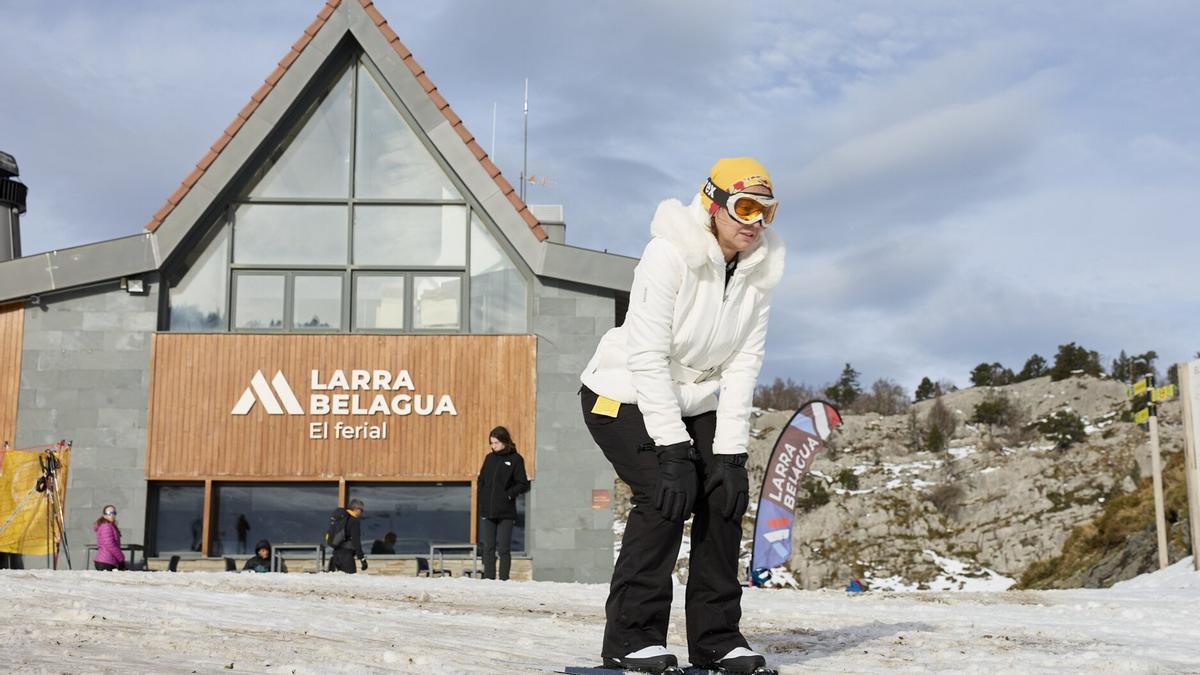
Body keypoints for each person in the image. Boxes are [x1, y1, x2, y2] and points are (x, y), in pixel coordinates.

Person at [579, 158, 784, 674]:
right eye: (743, 208)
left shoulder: (760, 274)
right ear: (712, 205)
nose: (754, 222)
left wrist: (731, 455)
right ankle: (631, 638)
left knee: (723, 492)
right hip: (623, 392)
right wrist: (672, 449)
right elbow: (647, 356)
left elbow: (742, 366)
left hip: (696, 396)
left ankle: (716, 640)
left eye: (766, 212)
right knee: (665, 492)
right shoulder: (668, 253)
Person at [476, 426, 530, 580]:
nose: (493, 446)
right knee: (488, 547)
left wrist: (508, 495)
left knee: (504, 549)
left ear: (505, 441)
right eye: (491, 443)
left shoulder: (516, 459)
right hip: (488, 510)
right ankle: (488, 578)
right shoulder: (489, 458)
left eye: (496, 443)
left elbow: (522, 483)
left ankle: (504, 580)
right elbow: (482, 480)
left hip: (506, 511)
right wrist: (483, 497)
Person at [328, 499, 367, 574]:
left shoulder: (341, 519)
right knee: (350, 582)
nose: (362, 513)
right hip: (346, 558)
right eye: (361, 510)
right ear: (356, 509)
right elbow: (356, 541)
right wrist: (362, 558)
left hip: (334, 556)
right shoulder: (354, 521)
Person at [93, 505, 126, 571]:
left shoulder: (110, 525)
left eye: (114, 513)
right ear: (104, 515)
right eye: (109, 513)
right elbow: (110, 544)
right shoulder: (106, 526)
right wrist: (121, 558)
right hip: (105, 562)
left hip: (109, 561)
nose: (112, 515)